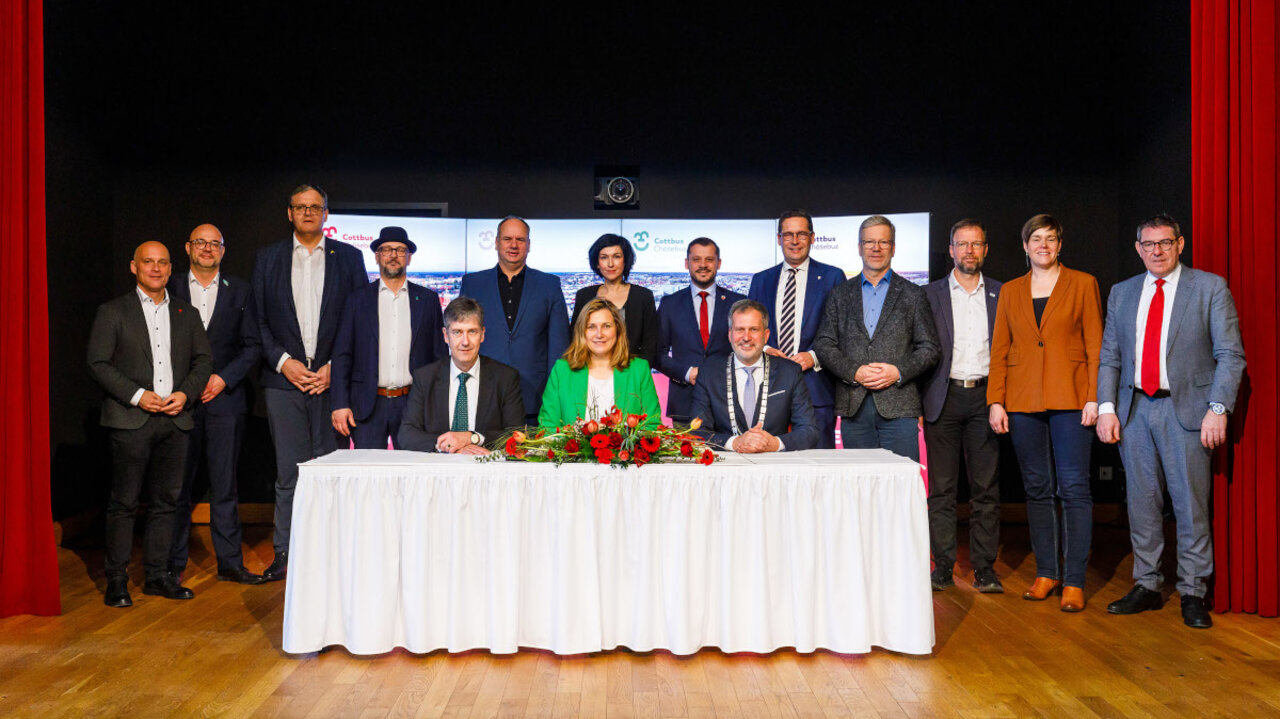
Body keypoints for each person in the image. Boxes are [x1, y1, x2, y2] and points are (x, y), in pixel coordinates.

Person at [1097, 214, 1245, 629]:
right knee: (1142, 505)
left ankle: (1193, 591)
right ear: (1138, 248)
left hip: (1188, 412)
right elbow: (1111, 356)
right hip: (1135, 410)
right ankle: (1147, 585)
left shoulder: (1209, 288)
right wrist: (1107, 407)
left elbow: (1230, 355)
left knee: (1190, 506)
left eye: (1164, 243)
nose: (1156, 251)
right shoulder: (1122, 293)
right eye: (1148, 244)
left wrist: (1218, 408)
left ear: (1180, 244)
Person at [252, 183, 367, 582]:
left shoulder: (349, 259)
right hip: (284, 383)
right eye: (300, 207)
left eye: (314, 207)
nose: (307, 213)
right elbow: (259, 321)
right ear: (289, 213)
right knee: (289, 473)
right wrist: (284, 363)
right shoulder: (267, 259)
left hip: (331, 383)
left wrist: (336, 366)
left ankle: (332, 554)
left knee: (329, 470)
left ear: (326, 214)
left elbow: (358, 320)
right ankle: (285, 553)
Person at [987, 213, 1102, 613]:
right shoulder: (1011, 291)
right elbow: (1000, 348)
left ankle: (1074, 580)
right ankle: (1047, 572)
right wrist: (995, 400)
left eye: (1051, 238)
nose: (1044, 245)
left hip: (1072, 398)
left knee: (1074, 488)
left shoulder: (1084, 283)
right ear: (1025, 245)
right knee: (1036, 489)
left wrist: (1094, 397)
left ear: (1059, 244)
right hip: (1021, 400)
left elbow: (1096, 345)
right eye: (1036, 238)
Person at [87, 241, 212, 607]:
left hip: (175, 421)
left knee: (166, 503)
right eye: (148, 262)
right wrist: (138, 395)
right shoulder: (112, 312)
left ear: (170, 269)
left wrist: (185, 395)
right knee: (124, 503)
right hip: (130, 421)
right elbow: (97, 363)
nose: (155, 269)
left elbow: (203, 362)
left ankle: (157, 576)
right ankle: (117, 579)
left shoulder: (186, 313)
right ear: (134, 267)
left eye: (162, 263)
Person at [166, 224, 264, 585]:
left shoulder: (240, 290)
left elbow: (252, 345)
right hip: (181, 402)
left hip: (226, 401)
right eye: (200, 243)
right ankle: (171, 564)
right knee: (177, 487)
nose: (207, 249)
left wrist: (223, 379)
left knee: (225, 487)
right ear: (188, 247)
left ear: (223, 251)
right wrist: (190, 385)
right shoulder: (171, 287)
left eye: (214, 244)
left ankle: (230, 564)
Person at [814, 215, 940, 461]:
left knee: (901, 487)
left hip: (900, 405)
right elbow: (824, 344)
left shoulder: (913, 295)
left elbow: (929, 348)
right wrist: (854, 372)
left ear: (893, 248)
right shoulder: (839, 294)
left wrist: (898, 371)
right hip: (854, 405)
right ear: (859, 247)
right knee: (860, 487)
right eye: (869, 242)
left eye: (883, 242)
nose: (876, 248)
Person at [922, 219, 1004, 594]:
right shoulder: (930, 295)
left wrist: (1001, 400)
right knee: (942, 490)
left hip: (986, 399)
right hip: (943, 398)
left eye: (976, 244)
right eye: (962, 244)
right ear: (951, 250)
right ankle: (942, 566)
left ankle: (985, 567)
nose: (969, 251)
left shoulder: (1004, 294)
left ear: (986, 249)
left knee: (985, 488)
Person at [331, 226, 446, 449]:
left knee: (413, 475)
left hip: (413, 404)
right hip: (366, 405)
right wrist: (339, 404)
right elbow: (342, 355)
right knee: (368, 476)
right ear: (377, 256)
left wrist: (437, 406)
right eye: (386, 250)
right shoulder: (357, 300)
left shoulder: (429, 300)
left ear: (409, 257)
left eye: (400, 250)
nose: (393, 255)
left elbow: (439, 358)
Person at [748, 210, 846, 447]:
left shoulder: (833, 277)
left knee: (820, 465)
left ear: (812, 238)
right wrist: (765, 349)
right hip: (770, 389)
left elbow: (843, 332)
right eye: (788, 234)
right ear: (779, 238)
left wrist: (814, 356)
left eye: (801, 234)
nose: (794, 240)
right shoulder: (761, 280)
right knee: (770, 464)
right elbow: (750, 328)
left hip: (817, 388)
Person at [460, 216, 571, 424]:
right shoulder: (472, 283)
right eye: (507, 238)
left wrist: (554, 398)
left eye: (520, 239)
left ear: (529, 245)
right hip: (482, 395)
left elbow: (559, 347)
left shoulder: (549, 285)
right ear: (496, 242)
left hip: (535, 400)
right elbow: (462, 341)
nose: (513, 245)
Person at [398, 298, 526, 453]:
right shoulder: (425, 377)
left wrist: (473, 438)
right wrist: (451, 446)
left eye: (472, 332)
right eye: (457, 332)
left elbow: (516, 434)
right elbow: (406, 435)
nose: (465, 342)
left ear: (482, 335)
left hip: (486, 469)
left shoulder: (505, 377)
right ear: (446, 336)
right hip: (439, 468)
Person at [689, 299, 818, 452]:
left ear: (766, 335)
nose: (746, 337)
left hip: (775, 466)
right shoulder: (709, 371)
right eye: (739, 329)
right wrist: (734, 443)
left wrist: (774, 443)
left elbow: (809, 432)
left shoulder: (790, 372)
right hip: (725, 466)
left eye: (754, 330)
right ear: (730, 335)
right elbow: (696, 432)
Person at [655, 238, 746, 424]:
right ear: (687, 263)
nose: (703, 265)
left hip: (729, 403)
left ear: (718, 263)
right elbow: (657, 354)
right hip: (684, 404)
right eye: (696, 260)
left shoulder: (738, 303)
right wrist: (687, 373)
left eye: (709, 260)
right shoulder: (669, 304)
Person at [538, 298, 662, 429]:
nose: (599, 334)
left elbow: (652, 425)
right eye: (591, 327)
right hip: (572, 449)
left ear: (618, 329)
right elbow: (547, 427)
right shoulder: (562, 370)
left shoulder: (639, 369)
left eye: (606, 326)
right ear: (582, 332)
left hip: (626, 450)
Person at [571, 233, 659, 366]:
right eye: (604, 257)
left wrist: (636, 376)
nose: (610, 264)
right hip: (590, 373)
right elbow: (575, 340)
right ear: (597, 263)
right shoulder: (584, 296)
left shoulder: (643, 296)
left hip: (631, 376)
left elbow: (650, 346)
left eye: (616, 257)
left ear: (625, 261)